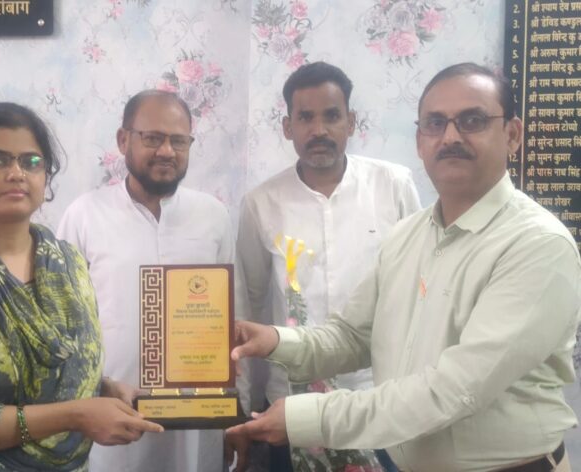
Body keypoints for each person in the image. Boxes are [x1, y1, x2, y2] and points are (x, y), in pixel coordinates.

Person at [227, 62, 581, 471]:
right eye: (435, 123)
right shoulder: (408, 235)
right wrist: (274, 341)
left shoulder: (536, 245)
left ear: (512, 135)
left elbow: (452, 390)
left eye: (472, 120)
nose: (451, 136)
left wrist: (304, 417)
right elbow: (353, 336)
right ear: (419, 140)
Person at [0, 102, 163, 471]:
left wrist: (101, 388)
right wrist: (76, 414)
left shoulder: (68, 264)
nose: (16, 173)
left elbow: (51, 373)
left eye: (31, 161)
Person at [236, 61, 420, 471]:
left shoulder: (393, 186)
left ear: (350, 122)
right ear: (288, 127)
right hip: (290, 403)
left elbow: (418, 285)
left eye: (331, 116)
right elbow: (250, 305)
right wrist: (242, 405)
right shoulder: (260, 204)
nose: (318, 129)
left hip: (380, 396)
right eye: (305, 117)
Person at [57, 90, 246, 472]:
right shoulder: (84, 215)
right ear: (123, 140)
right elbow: (61, 323)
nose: (166, 151)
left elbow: (232, 319)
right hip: (111, 417)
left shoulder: (212, 215)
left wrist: (236, 414)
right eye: (153, 138)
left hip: (199, 418)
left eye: (179, 140)